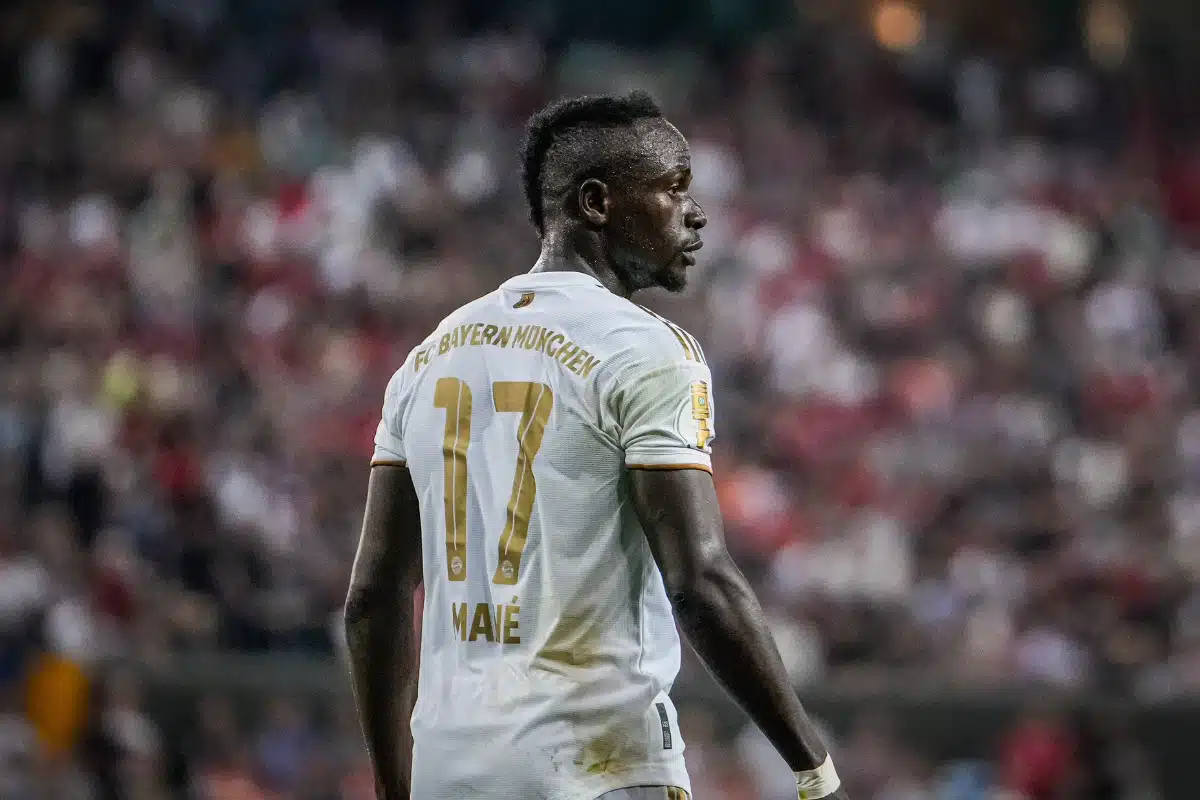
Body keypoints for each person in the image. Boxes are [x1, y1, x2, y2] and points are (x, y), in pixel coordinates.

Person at [343, 90, 846, 800]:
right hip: (598, 765)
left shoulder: (428, 358)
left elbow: (374, 595)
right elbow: (699, 582)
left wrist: (397, 787)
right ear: (597, 203)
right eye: (674, 187)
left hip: (449, 771)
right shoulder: (644, 349)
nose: (695, 212)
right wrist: (814, 769)